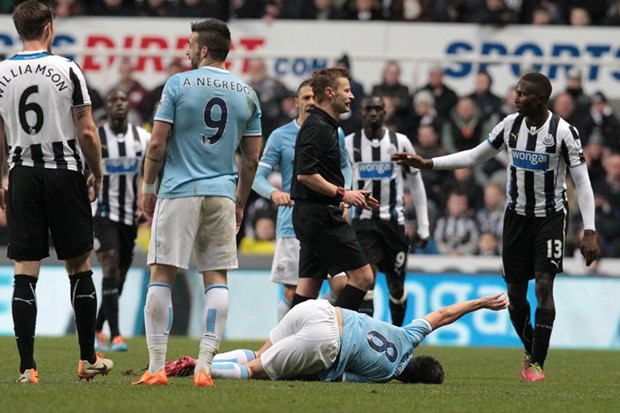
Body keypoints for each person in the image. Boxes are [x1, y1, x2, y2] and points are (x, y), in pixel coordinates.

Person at [393, 72, 600, 381]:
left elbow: (581, 181)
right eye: (516, 93)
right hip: (516, 217)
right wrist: (429, 163)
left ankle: (536, 364)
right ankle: (531, 348)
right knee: (515, 295)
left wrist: (590, 230)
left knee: (544, 285)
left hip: (550, 218)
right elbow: (476, 156)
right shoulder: (509, 126)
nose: (515, 98)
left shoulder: (563, 132)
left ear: (540, 99)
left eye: (522, 95)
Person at [133, 18, 262, 388]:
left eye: (190, 45)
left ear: (204, 49)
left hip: (177, 190)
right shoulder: (247, 92)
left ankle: (157, 366)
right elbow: (252, 158)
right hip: (222, 193)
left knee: (162, 272)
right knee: (216, 278)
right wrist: (240, 202)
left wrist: (147, 186)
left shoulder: (177, 84)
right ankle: (204, 366)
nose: (186, 50)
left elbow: (156, 143)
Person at [0, 0, 113, 383]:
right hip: (64, 173)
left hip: (22, 175)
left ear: (19, 29)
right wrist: (96, 172)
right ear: (49, 27)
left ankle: (27, 368)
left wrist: (2, 178)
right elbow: (85, 130)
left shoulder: (1, 72)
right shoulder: (67, 69)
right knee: (79, 265)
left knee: (24, 269)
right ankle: (87, 359)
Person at [207, 293, 509, 382]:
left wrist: (480, 303)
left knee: (260, 355)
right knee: (258, 372)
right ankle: (206, 371)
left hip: (320, 309)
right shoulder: (386, 375)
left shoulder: (407, 336)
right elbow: (333, 377)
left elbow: (442, 315)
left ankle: (200, 362)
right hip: (326, 339)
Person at [252, 79, 352, 321]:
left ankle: (313, 322)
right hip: (292, 223)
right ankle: (284, 344)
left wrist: (344, 194)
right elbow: (258, 178)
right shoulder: (280, 136)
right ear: (296, 102)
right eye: (304, 98)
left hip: (328, 217)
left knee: (341, 285)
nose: (309, 103)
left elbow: (345, 166)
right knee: (292, 290)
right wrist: (273, 193)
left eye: (312, 98)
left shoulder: (334, 131)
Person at [291, 67, 379, 312]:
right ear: (330, 93)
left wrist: (351, 195)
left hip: (312, 214)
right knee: (363, 277)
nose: (351, 96)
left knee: (308, 289)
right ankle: (337, 337)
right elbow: (305, 174)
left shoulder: (324, 126)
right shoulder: (317, 126)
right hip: (321, 216)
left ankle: (280, 345)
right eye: (347, 90)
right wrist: (343, 194)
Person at [345, 95, 430, 325]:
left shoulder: (400, 142)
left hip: (394, 223)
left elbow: (416, 181)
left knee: (396, 284)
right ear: (361, 112)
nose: (373, 113)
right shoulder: (349, 144)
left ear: (385, 113)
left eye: (378, 109)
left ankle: (397, 336)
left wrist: (423, 225)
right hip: (363, 223)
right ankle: (367, 341)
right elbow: (342, 183)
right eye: (368, 109)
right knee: (367, 279)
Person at [93, 88, 150, 352]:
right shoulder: (96, 137)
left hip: (129, 216)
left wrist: (149, 201)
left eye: (123, 99)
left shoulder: (142, 138)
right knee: (110, 263)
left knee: (120, 277)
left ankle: (96, 328)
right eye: (113, 99)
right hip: (103, 214)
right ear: (106, 106)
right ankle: (116, 335)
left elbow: (155, 168)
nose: (119, 103)